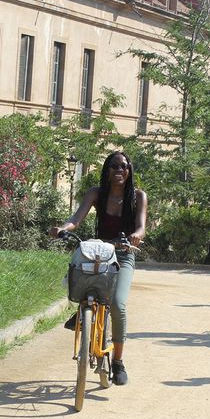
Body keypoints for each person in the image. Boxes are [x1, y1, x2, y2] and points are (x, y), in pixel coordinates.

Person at [48, 151, 147, 386]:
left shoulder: (139, 196)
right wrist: (63, 228)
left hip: (123, 253)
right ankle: (83, 312)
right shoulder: (96, 193)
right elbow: (76, 218)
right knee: (79, 275)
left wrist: (135, 236)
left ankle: (118, 362)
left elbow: (142, 227)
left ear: (129, 170)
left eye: (123, 166)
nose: (119, 171)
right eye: (113, 166)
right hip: (99, 252)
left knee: (117, 303)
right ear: (107, 170)